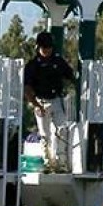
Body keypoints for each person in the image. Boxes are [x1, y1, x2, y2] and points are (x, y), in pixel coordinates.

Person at [23, 30, 78, 173]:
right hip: (40, 101)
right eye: (44, 47)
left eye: (49, 47)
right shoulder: (33, 65)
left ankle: (61, 162)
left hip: (56, 100)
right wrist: (35, 104)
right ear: (38, 47)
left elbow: (70, 75)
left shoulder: (58, 61)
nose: (47, 50)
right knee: (45, 135)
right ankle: (48, 163)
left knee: (61, 130)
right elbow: (27, 87)